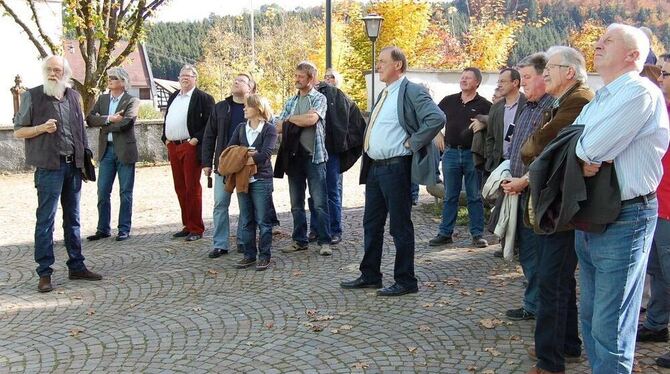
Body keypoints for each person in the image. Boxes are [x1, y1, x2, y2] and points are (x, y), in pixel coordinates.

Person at [572, 24, 669, 373]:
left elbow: (590, 148)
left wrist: (584, 151)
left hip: (626, 217)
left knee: (610, 323)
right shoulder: (605, 95)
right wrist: (581, 152)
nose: (597, 45)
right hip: (592, 213)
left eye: (607, 41)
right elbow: (572, 144)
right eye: (598, 40)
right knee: (591, 315)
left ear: (632, 56)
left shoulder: (640, 92)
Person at [340, 46, 444, 296]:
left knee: (400, 226)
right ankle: (370, 275)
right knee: (371, 224)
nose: (378, 65)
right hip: (376, 168)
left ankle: (406, 280)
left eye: (382, 61)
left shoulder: (412, 91)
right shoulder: (385, 92)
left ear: (398, 65)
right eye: (378, 61)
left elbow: (436, 118)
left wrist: (414, 141)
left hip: (397, 168)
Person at [523, 46, 594, 374]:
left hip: (562, 208)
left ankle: (551, 362)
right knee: (560, 280)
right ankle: (567, 346)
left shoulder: (578, 100)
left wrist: (532, 149)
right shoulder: (565, 100)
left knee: (552, 281)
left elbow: (541, 145)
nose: (544, 73)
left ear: (569, 71)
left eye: (550, 67)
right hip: (560, 204)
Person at [13, 55, 102, 293]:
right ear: (45, 72)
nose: (53, 73)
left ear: (65, 74)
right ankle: (44, 273)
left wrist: (85, 162)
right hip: (49, 168)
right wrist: (41, 128)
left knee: (73, 219)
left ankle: (76, 265)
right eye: (49, 70)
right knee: (46, 221)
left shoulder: (74, 97)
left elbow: (81, 133)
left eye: (58, 70)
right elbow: (18, 131)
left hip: (73, 167)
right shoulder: (32, 96)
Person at [501, 53, 556, 322]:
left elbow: (547, 154)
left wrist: (524, 181)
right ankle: (533, 302)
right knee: (525, 249)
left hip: (538, 193)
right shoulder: (528, 106)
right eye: (521, 78)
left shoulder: (552, 108)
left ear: (544, 77)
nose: (523, 84)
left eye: (527, 78)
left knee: (537, 252)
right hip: (518, 189)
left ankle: (536, 305)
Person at [275, 62, 333, 256]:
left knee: (319, 202)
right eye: (296, 75)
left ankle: (325, 241)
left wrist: (291, 119)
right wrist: (293, 119)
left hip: (315, 157)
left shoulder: (319, 98)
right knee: (296, 203)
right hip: (293, 158)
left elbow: (312, 120)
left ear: (311, 78)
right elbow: (277, 125)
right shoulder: (291, 101)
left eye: (301, 76)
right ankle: (299, 240)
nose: (297, 79)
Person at [430, 67, 492, 248]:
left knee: (474, 196)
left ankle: (477, 234)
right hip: (450, 153)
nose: (463, 80)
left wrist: (484, 121)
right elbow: (431, 116)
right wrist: (437, 133)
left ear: (477, 83)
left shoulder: (485, 105)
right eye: (462, 77)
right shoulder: (449, 101)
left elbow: (496, 121)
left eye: (468, 78)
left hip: (472, 154)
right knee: (450, 196)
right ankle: (445, 233)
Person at [637, 53, 670, 370]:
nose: (661, 79)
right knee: (658, 272)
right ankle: (657, 324)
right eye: (662, 72)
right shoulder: (662, 110)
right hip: (657, 204)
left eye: (667, 74)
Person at [308, 69, 366, 245]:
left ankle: (334, 229)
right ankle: (316, 228)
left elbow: (354, 121)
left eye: (331, 77)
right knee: (315, 193)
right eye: (326, 76)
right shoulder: (312, 94)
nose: (328, 79)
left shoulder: (339, 96)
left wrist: (344, 145)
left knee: (332, 191)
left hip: (332, 151)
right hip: (314, 151)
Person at [201, 73, 254, 258]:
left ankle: (242, 240)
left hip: (246, 165)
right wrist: (206, 162)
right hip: (223, 164)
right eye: (234, 80)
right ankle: (220, 244)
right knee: (220, 204)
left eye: (241, 81)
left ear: (250, 87)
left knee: (245, 205)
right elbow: (209, 135)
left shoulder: (254, 108)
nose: (235, 82)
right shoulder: (221, 107)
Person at [85, 67, 140, 242]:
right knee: (102, 191)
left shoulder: (132, 100)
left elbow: (126, 123)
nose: (110, 80)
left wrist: (105, 125)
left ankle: (124, 229)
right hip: (106, 151)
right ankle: (103, 228)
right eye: (109, 77)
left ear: (123, 82)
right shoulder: (102, 99)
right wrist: (109, 118)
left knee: (125, 192)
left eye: (114, 78)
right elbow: (90, 119)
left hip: (125, 151)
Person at [162, 64, 215, 242]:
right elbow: (168, 118)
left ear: (195, 79)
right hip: (173, 146)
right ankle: (187, 224)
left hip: (190, 145)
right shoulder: (173, 96)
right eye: (182, 76)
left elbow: (209, 123)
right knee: (179, 187)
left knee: (192, 187)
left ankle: (196, 227)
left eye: (188, 76)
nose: (184, 78)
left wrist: (195, 140)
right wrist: (165, 138)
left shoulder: (204, 98)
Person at [228, 94, 278, 271]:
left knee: (264, 221)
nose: (244, 109)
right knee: (247, 220)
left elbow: (265, 155)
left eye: (247, 106)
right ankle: (249, 255)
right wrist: (247, 155)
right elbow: (231, 150)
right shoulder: (241, 128)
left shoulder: (269, 129)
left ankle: (264, 256)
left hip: (261, 180)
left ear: (258, 109)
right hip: (243, 180)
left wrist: (246, 156)